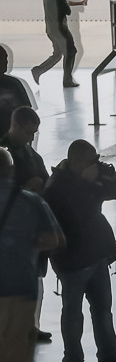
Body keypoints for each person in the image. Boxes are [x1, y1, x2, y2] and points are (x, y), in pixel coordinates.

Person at [42, 140, 116, 362]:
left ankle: (108, 353)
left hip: (96, 256)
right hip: (71, 261)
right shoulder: (56, 186)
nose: (96, 164)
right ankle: (72, 360)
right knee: (73, 313)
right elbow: (74, 215)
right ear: (76, 162)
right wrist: (85, 182)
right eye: (91, 161)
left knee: (103, 309)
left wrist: (110, 176)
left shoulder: (90, 178)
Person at [0, 147, 63, 362]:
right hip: (22, 286)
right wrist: (23, 244)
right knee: (19, 358)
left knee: (6, 360)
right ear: (10, 171)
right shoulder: (30, 201)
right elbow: (55, 239)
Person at [1, 108, 53, 345]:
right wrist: (26, 188)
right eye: (29, 132)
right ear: (17, 126)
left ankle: (32, 325)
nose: (32, 138)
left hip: (30, 229)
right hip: (11, 230)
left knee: (36, 281)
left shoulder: (30, 153)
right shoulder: (4, 154)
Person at [32, 0, 85, 87]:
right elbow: (67, 11)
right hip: (61, 30)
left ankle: (38, 70)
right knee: (71, 52)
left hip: (51, 30)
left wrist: (79, 3)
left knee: (57, 55)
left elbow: (63, 4)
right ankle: (67, 80)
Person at [0, 45, 36, 137]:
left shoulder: (14, 84)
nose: (6, 62)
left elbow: (27, 114)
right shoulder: (13, 84)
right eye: (2, 58)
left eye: (6, 58)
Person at [60, 0, 88, 71]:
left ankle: (69, 73)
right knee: (78, 50)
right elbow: (81, 9)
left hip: (66, 27)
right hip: (72, 28)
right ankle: (70, 72)